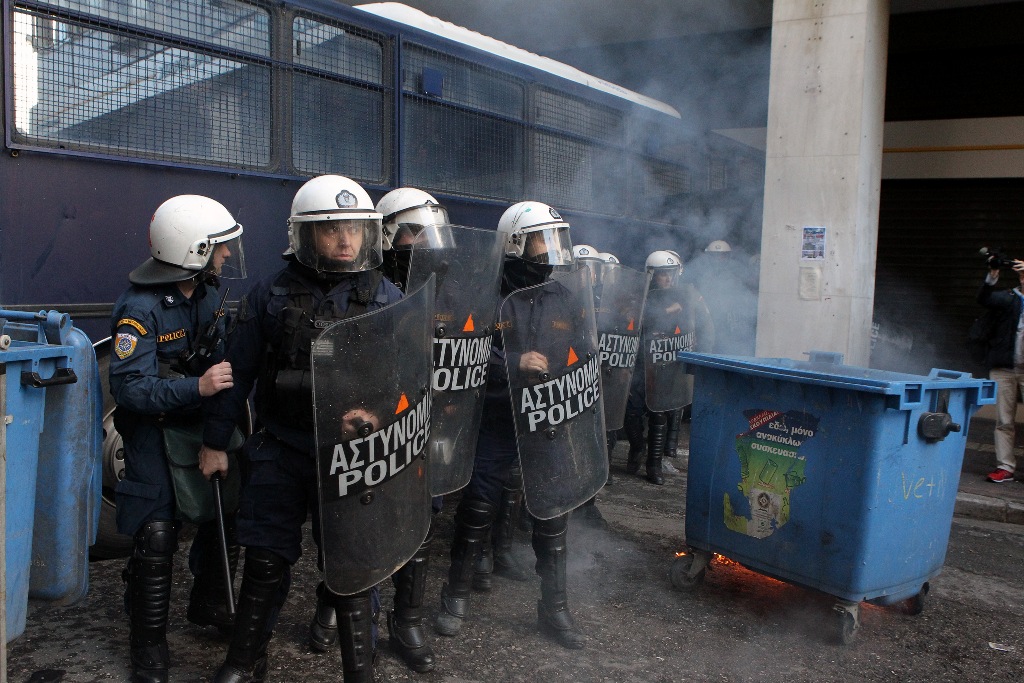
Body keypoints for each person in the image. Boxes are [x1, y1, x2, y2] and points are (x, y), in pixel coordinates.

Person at [200, 175, 403, 683]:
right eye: (332, 229)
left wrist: (381, 417)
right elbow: (236, 373)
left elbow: (410, 378)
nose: (346, 241)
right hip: (283, 448)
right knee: (266, 559)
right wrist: (215, 442)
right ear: (305, 235)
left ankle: (361, 672)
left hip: (353, 454)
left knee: (355, 571)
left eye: (355, 229)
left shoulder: (388, 296)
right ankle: (245, 662)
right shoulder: (270, 293)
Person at [304, 186, 449, 674]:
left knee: (417, 517)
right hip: (354, 429)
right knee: (348, 524)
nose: (424, 244)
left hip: (408, 421)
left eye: (430, 233)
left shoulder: (438, 283)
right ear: (386, 233)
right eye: (413, 232)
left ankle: (407, 621)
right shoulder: (361, 286)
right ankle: (336, 605)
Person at [434, 200, 590, 650]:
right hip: (498, 417)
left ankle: (555, 608)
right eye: (543, 238)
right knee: (479, 504)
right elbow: (463, 353)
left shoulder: (564, 296)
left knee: (553, 510)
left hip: (547, 417)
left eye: (556, 238)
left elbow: (581, 352)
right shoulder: (487, 292)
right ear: (518, 242)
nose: (552, 249)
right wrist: (512, 363)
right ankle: (455, 595)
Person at [109, 195, 245, 683]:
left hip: (198, 425)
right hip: (152, 432)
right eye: (220, 248)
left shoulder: (207, 296)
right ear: (194, 249)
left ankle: (209, 602)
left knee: (225, 508)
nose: (227, 257)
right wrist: (197, 386)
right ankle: (148, 643)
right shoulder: (140, 308)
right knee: (158, 531)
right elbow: (128, 388)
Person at [624, 250, 713, 485]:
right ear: (652, 275)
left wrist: (700, 356)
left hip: (669, 363)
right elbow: (636, 321)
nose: (667, 279)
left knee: (660, 413)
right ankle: (637, 447)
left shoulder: (688, 295)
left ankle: (653, 464)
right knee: (631, 411)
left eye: (670, 274)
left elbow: (704, 325)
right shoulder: (640, 295)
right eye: (662, 275)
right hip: (641, 362)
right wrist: (667, 311)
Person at [977, 258, 1024, 483]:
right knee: (1004, 421)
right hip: (1004, 367)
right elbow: (984, 298)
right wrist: (993, 273)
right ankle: (1005, 466)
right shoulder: (1009, 298)